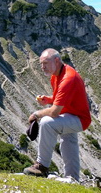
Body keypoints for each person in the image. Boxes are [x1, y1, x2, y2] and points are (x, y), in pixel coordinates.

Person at [23, 48, 91, 181]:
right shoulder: (56, 75)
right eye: (41, 64)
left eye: (46, 63)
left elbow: (54, 112)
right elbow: (60, 99)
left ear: (57, 60)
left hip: (79, 119)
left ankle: (42, 166)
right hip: (70, 115)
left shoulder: (67, 78)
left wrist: (36, 114)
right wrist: (48, 100)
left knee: (47, 122)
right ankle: (72, 179)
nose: (43, 67)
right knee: (68, 143)